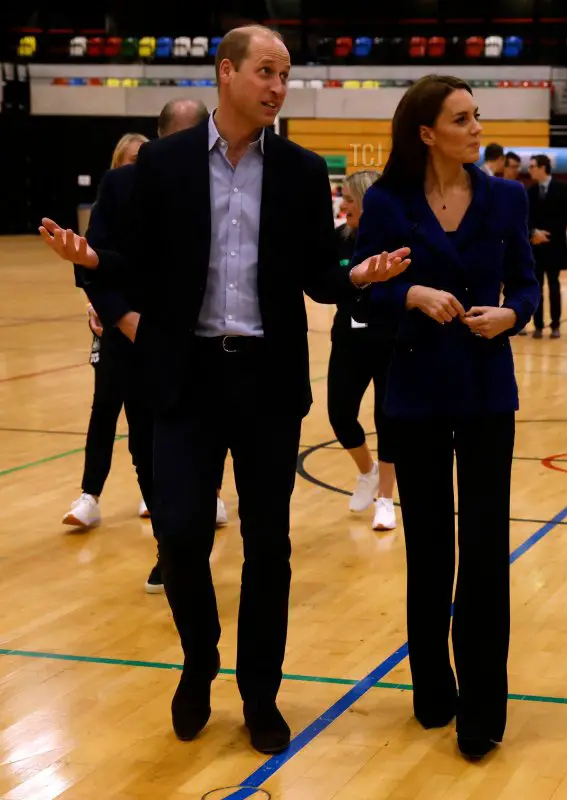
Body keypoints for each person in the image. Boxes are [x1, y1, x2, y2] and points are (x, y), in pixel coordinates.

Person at [39, 25, 409, 754]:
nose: (277, 87)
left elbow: (316, 274)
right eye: (266, 72)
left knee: (269, 548)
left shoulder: (302, 172)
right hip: (187, 376)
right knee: (179, 535)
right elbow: (128, 257)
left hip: (266, 381)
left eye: (285, 75)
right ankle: (200, 655)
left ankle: (259, 691)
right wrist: (92, 259)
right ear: (227, 72)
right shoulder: (164, 166)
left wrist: (355, 276)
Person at [352, 74, 540, 762]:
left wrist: (513, 313)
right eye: (461, 118)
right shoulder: (387, 202)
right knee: (428, 549)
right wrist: (408, 294)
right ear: (426, 132)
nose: (476, 127)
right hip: (417, 389)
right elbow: (362, 295)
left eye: (477, 116)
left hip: (488, 389)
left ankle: (484, 708)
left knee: (487, 551)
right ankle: (432, 686)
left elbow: (525, 282)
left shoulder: (506, 199)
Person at [52, 100, 223, 596]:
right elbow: (92, 262)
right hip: (134, 341)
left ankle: (190, 531)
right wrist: (123, 318)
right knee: (145, 448)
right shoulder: (121, 185)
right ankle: (169, 548)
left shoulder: (225, 185)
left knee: (200, 443)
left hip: (204, 343)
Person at [62, 131, 150, 531]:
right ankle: (89, 496)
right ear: (117, 167)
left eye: (142, 159)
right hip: (114, 327)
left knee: (145, 416)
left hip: (151, 328)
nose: (136, 166)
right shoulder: (108, 205)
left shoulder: (160, 207)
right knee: (104, 410)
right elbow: (91, 264)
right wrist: (99, 305)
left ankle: (153, 493)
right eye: (129, 160)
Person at [327, 169, 400, 531]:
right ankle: (366, 471)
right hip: (348, 341)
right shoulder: (338, 239)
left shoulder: (395, 241)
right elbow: (329, 284)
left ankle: (386, 499)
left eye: (350, 199)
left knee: (387, 419)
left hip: (389, 342)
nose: (343, 205)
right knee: (339, 414)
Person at [526, 154, 567, 338]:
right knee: (536, 287)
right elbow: (526, 217)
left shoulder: (562, 188)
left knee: (554, 285)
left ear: (543, 167)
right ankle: (538, 325)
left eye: (532, 166)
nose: (529, 170)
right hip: (535, 246)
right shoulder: (530, 191)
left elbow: (564, 216)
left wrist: (546, 234)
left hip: (554, 245)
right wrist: (534, 232)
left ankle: (555, 325)